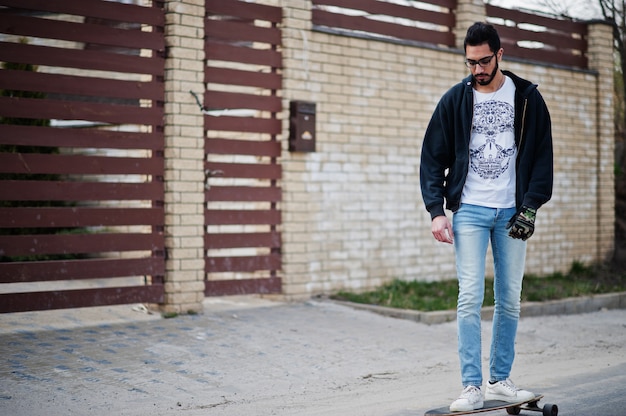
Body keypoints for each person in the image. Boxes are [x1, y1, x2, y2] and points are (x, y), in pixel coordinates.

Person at [420, 22, 553, 412]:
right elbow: (432, 157)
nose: (477, 69)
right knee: (469, 298)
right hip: (471, 212)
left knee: (510, 299)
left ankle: (499, 380)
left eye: (483, 61)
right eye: (470, 62)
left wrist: (530, 206)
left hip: (513, 211)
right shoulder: (454, 101)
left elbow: (542, 158)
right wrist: (436, 211)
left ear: (500, 55)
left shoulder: (527, 98)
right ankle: (472, 387)